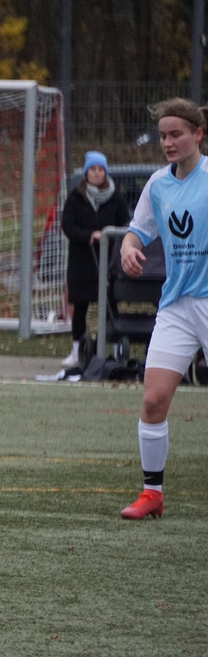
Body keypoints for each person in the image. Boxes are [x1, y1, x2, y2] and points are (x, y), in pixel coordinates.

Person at [118, 97, 208, 521]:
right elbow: (137, 232)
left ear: (198, 136)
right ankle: (151, 493)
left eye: (177, 134)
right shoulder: (158, 184)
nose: (169, 142)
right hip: (176, 306)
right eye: (163, 136)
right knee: (153, 401)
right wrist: (128, 249)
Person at [59, 151, 131, 368]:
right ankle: (76, 350)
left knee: (110, 306)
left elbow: (125, 223)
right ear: (86, 172)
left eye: (101, 170)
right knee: (80, 307)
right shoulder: (76, 197)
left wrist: (113, 237)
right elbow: (68, 225)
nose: (97, 173)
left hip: (107, 263)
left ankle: (116, 348)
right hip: (82, 262)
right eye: (93, 169)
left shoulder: (115, 197)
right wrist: (89, 235)